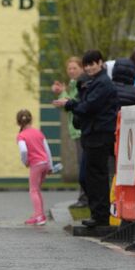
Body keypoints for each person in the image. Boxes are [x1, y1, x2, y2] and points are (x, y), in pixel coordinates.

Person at [57, 50, 118, 228]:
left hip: (99, 135)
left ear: (101, 63)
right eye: (87, 65)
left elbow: (89, 106)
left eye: (93, 64)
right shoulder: (92, 82)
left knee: (96, 176)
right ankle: (97, 213)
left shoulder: (102, 83)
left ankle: (100, 216)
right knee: (88, 176)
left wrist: (69, 104)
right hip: (91, 134)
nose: (90, 67)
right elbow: (84, 105)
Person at [51, 56, 87, 208]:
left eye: (75, 68)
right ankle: (83, 197)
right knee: (82, 164)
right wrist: (61, 92)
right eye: (69, 68)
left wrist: (63, 93)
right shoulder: (72, 85)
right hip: (76, 129)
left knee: (84, 165)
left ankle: (85, 198)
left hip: (82, 130)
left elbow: (73, 102)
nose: (71, 71)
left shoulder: (82, 83)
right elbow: (65, 103)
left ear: (81, 68)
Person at [16, 109, 53, 226]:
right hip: (45, 163)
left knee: (33, 190)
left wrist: (25, 161)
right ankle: (39, 214)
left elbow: (23, 150)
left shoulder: (21, 135)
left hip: (35, 164)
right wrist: (50, 166)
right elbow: (47, 150)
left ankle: (39, 217)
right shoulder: (38, 132)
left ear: (18, 122)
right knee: (37, 189)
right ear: (31, 120)